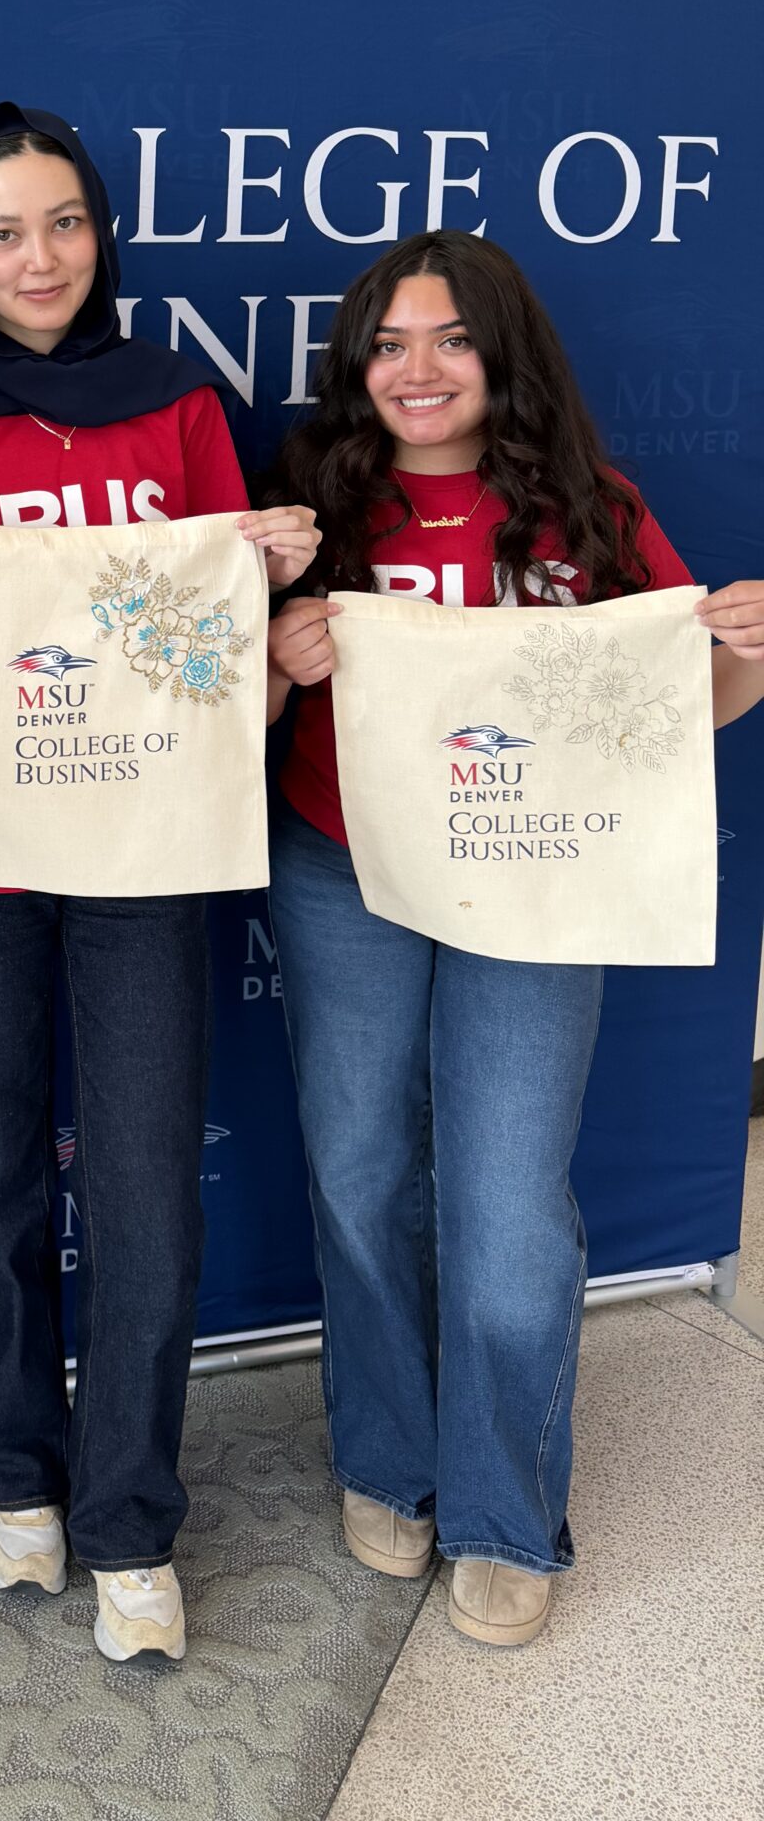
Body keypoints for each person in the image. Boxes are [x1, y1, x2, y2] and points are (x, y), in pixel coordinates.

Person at [0, 101, 318, 1664]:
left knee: (136, 1171)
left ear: (101, 233)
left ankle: (130, 1514)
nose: (37, 257)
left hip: (150, 839)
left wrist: (260, 576)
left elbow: (205, 639)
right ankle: (14, 1472)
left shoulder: (181, 404)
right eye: (1, 232)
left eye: (62, 222)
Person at [262, 229, 764, 1648]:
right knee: (359, 1170)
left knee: (507, 1197)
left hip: (538, 884)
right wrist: (279, 654)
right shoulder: (310, 500)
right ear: (359, 365)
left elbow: (680, 716)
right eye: (390, 343)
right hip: (340, 870)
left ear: (502, 353)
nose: (418, 371)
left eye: (451, 340)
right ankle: (388, 1457)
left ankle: (503, 1505)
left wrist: (738, 660)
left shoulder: (590, 509)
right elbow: (207, 701)